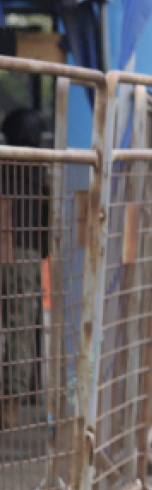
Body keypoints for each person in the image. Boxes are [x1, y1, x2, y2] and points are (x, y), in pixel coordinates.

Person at [0, 109, 48, 430]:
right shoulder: (36, 170)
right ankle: (11, 402)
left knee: (19, 330)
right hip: (22, 255)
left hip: (16, 252)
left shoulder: (8, 166)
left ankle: (14, 399)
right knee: (20, 331)